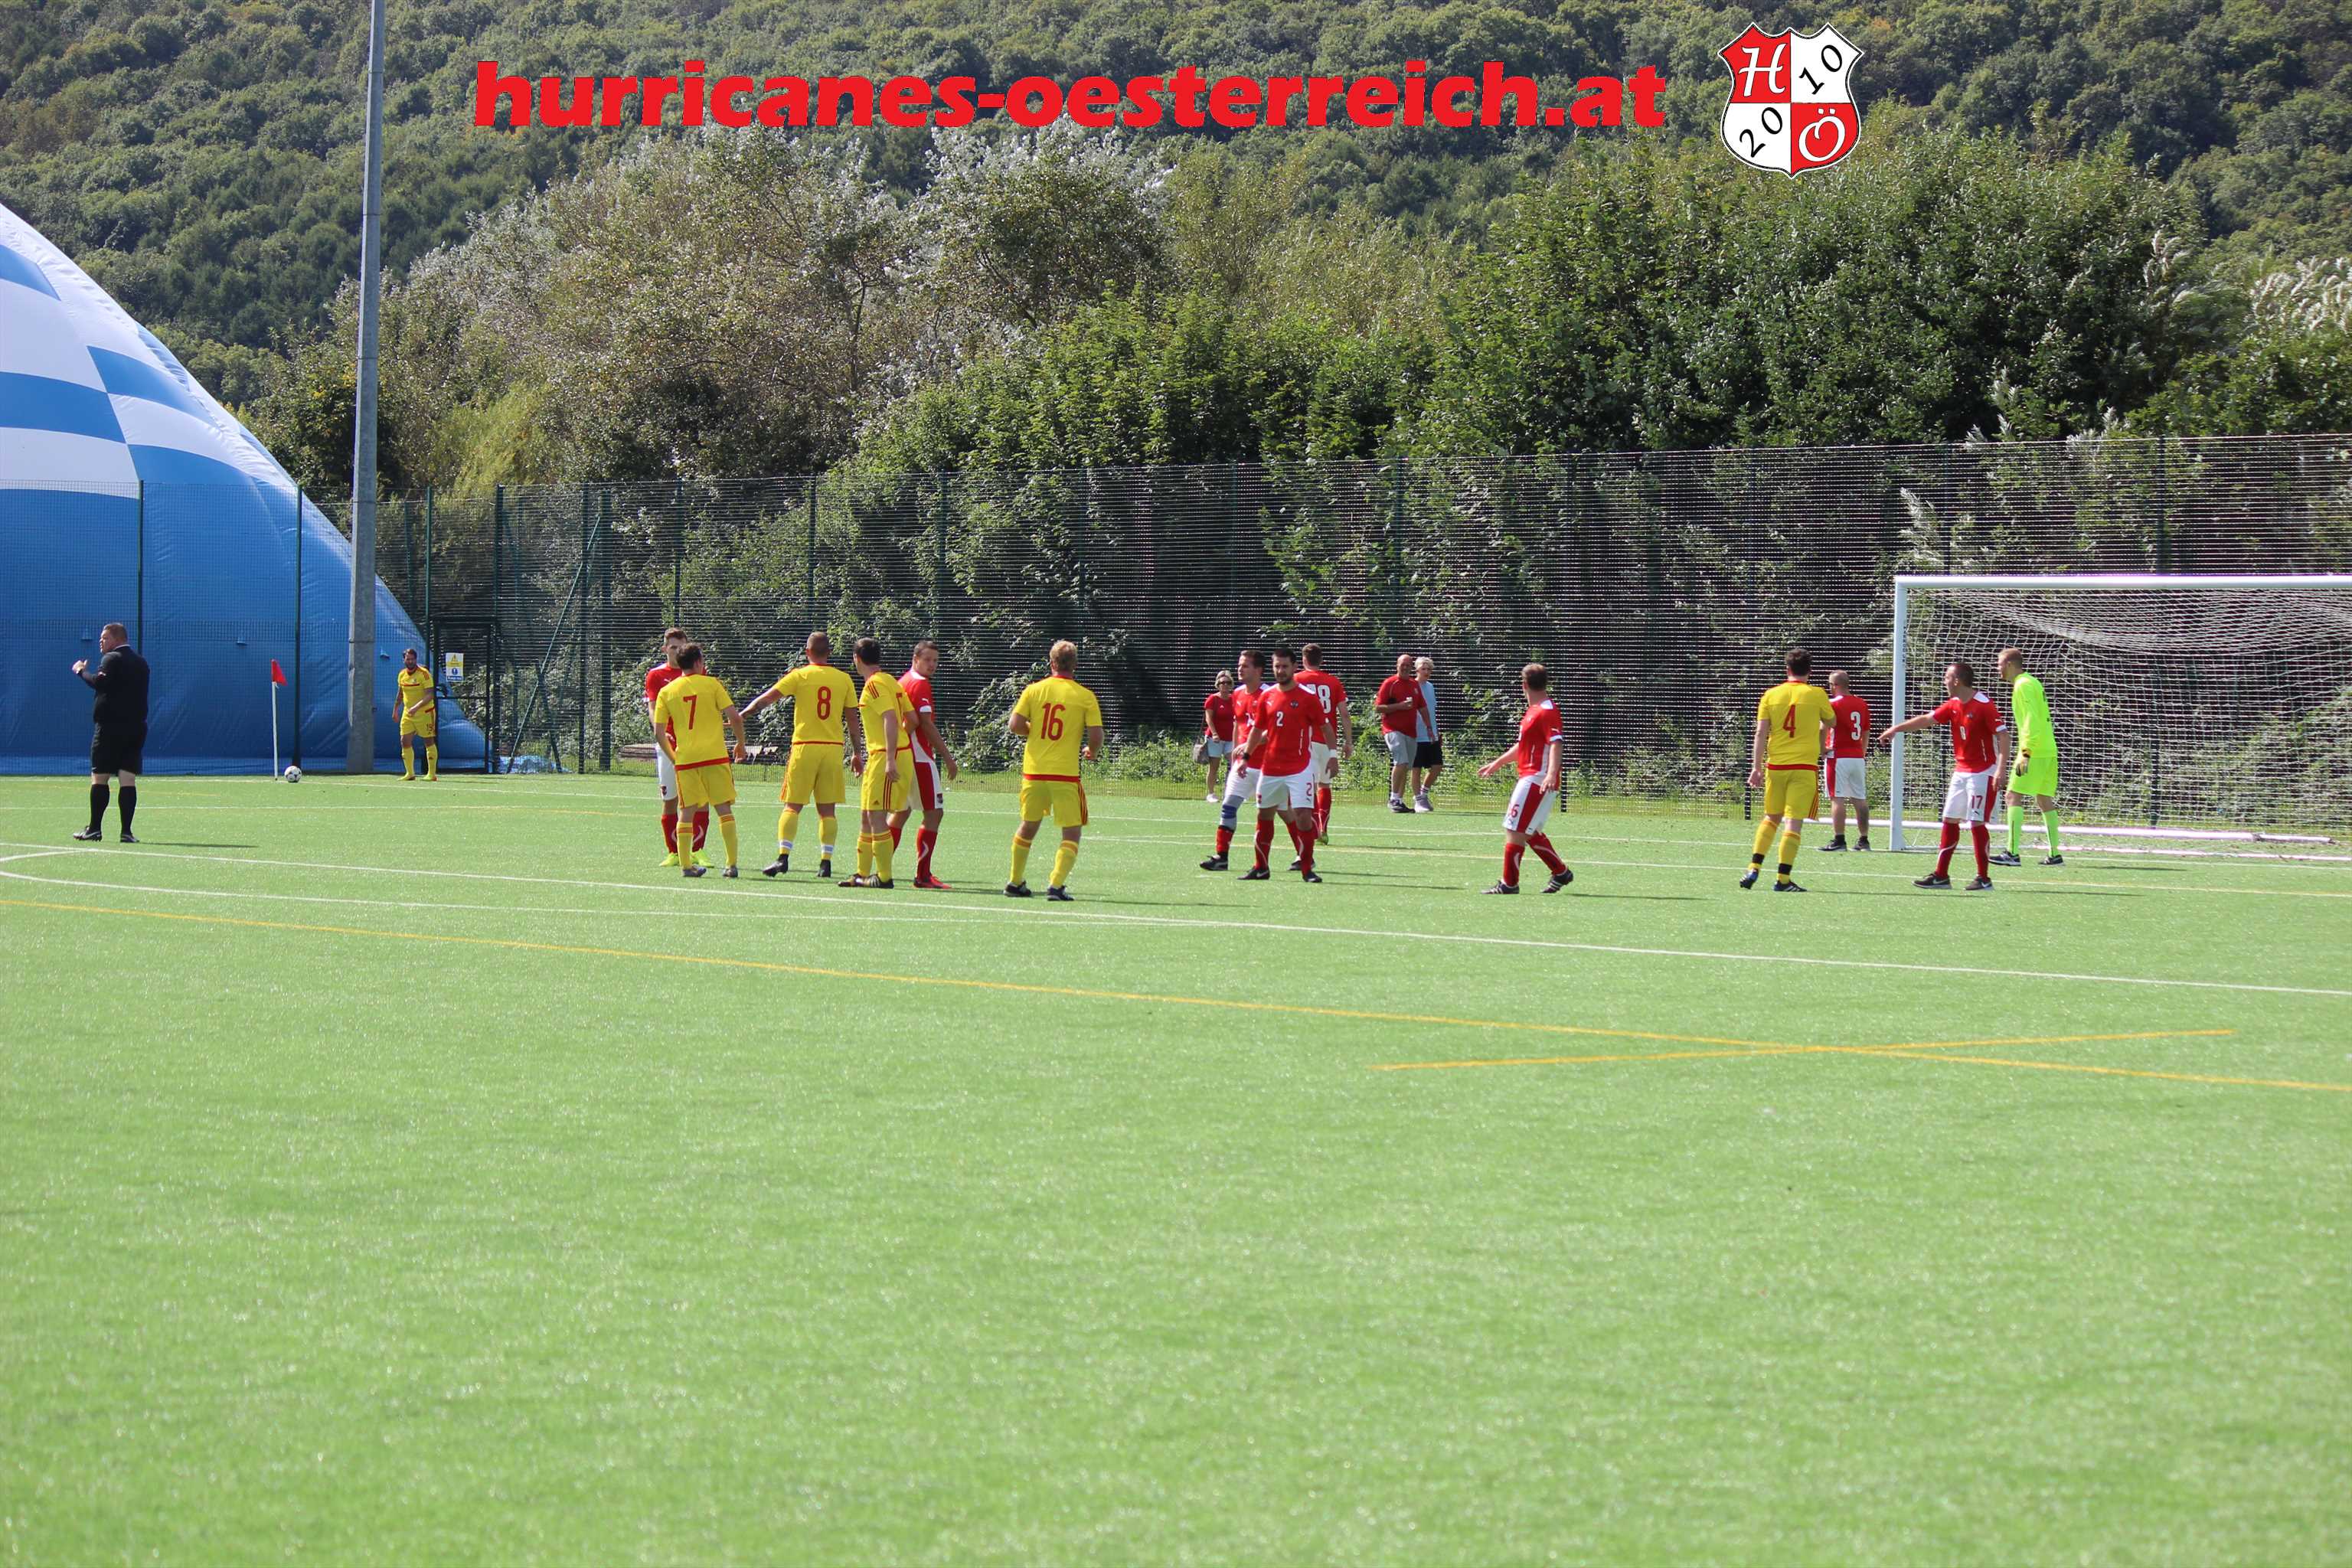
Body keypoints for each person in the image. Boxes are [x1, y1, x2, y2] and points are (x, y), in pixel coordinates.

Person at [1881, 659, 2011, 890]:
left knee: (1976, 823)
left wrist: (2001, 769)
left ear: (1957, 680)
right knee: (1949, 820)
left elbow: (2004, 736)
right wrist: (1896, 729)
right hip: (1961, 772)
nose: (1944, 681)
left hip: (1983, 773)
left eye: (1947, 677)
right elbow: (1926, 720)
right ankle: (1941, 875)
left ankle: (1983, 878)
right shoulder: (1953, 704)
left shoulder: (1984, 705)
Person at [740, 631, 855, 880]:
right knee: (828, 811)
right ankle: (826, 862)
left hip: (805, 746)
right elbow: (853, 720)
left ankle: (783, 857)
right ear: (830, 652)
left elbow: (767, 698)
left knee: (792, 806)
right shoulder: (844, 679)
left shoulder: (800, 675)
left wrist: (743, 714)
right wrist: (857, 752)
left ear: (807, 652)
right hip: (833, 748)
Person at [1007, 639, 1104, 901]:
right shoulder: (1085, 696)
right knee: (1071, 830)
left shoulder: (1034, 690)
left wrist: (1033, 731)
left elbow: (1014, 725)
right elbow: (1096, 734)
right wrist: (1092, 751)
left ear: (1051, 663)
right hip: (1065, 774)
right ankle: (1056, 886)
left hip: (1034, 772)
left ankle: (1015, 882)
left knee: (1028, 825)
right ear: (1075, 664)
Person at [1743, 647, 1837, 892]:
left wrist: (1756, 767)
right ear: (1810, 671)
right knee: (1793, 823)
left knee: (1771, 817)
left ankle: (1754, 867)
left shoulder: (1771, 694)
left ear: (1787, 670)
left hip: (1775, 766)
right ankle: (1783, 880)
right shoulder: (1816, 694)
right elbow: (1832, 721)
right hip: (1803, 767)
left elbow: (1761, 733)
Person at [649, 642, 746, 879]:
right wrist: (741, 744)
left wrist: (674, 757)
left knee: (686, 812)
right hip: (715, 757)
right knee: (723, 809)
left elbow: (659, 732)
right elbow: (735, 718)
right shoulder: (712, 684)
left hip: (686, 759)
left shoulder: (667, 691)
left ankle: (686, 866)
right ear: (699, 662)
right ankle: (731, 865)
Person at [1475, 663, 1573, 893]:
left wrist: (1551, 774)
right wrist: (1498, 762)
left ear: (1524, 685)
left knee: (1514, 828)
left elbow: (1556, 743)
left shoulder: (1546, 710)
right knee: (1528, 832)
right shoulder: (1534, 710)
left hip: (1536, 779)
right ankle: (1561, 872)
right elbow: (1523, 746)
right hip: (1535, 777)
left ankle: (1509, 884)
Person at [1241, 647, 1323, 884]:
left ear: (1295, 667)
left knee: (1303, 816)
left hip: (1300, 768)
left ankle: (1307, 869)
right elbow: (1257, 730)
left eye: (1285, 666)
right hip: (1271, 769)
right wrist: (1246, 756)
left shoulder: (1307, 696)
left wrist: (1333, 755)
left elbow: (1325, 727)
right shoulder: (1267, 696)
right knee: (1264, 815)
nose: (1280, 671)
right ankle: (1261, 867)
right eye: (1277, 666)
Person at [843, 636, 915, 889]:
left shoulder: (874, 685)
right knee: (866, 814)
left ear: (857, 659)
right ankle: (861, 874)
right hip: (881, 755)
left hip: (886, 756)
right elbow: (912, 719)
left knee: (876, 815)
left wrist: (891, 757)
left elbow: (890, 719)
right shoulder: (891, 682)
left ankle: (884, 877)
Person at [891, 639, 961, 890]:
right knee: (934, 813)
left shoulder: (903, 681)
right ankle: (922, 876)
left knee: (901, 812)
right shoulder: (920, 684)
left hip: (903, 755)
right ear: (915, 659)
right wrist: (948, 758)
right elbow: (926, 724)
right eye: (927, 659)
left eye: (935, 661)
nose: (932, 665)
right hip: (919, 757)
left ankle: (879, 867)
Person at [71, 622, 149, 844]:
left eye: (104, 638)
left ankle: (95, 829)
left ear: (117, 638)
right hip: (135, 729)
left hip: (110, 729)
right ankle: (127, 832)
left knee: (100, 777)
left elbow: (99, 683)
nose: (101, 642)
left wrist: (81, 671)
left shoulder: (112, 659)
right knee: (127, 778)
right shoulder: (141, 663)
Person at [1994, 647, 2063, 867]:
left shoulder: (2022, 685)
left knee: (2012, 795)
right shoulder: (2033, 682)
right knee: (2044, 799)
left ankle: (2012, 853)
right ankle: (2055, 854)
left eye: (1999, 664)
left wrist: (2026, 753)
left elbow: (2032, 720)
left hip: (2034, 751)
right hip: (2048, 750)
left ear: (2010, 665)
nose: (1998, 669)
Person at [644, 629, 707, 867]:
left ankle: (698, 850)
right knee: (670, 798)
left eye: (681, 647)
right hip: (668, 745)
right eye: (673, 647)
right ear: (664, 649)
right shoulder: (656, 675)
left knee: (701, 799)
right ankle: (673, 852)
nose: (677, 651)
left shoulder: (697, 672)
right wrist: (660, 730)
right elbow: (653, 708)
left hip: (695, 745)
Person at [1200, 649, 1266, 871]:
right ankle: (1222, 857)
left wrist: (1248, 747)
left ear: (1258, 670)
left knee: (1284, 814)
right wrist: (1240, 754)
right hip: (1244, 764)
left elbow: (1274, 731)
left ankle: (1303, 857)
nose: (1240, 669)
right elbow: (1239, 725)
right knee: (1228, 807)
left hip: (1268, 766)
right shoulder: (1238, 695)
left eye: (1245, 665)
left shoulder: (1269, 694)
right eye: (1239, 665)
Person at [1292, 642, 1351, 844]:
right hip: (1327, 741)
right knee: (1324, 784)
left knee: (1307, 784)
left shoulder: (1297, 680)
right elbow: (1344, 714)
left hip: (1304, 741)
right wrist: (1348, 741)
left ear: (1303, 660)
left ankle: (1313, 828)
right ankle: (1323, 828)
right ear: (1321, 660)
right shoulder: (1333, 682)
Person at [1821, 668, 1872, 851]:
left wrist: (1822, 749)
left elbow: (1822, 729)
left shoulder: (1832, 704)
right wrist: (1862, 752)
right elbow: (1866, 731)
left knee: (1837, 798)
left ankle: (1839, 840)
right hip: (1857, 757)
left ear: (1835, 685)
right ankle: (1864, 840)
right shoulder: (1862, 703)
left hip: (1838, 756)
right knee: (1860, 798)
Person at [1374, 654, 1424, 812]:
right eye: (1403, 664)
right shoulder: (1390, 683)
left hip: (1411, 732)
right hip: (1392, 729)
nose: (1405, 667)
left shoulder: (1414, 685)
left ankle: (1399, 801)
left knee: (1406, 766)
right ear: (1397, 665)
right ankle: (1393, 799)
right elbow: (1378, 708)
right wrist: (1399, 706)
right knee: (1401, 762)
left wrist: (1430, 729)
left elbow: (1422, 707)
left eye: (1408, 665)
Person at [394, 647, 439, 782]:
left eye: (413, 659)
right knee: (404, 741)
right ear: (404, 660)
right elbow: (400, 693)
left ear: (416, 659)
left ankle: (431, 774)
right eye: (408, 659)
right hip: (408, 714)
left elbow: (430, 695)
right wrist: (395, 709)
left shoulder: (424, 674)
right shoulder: (402, 675)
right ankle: (410, 773)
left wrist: (416, 707)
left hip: (425, 713)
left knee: (428, 741)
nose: (410, 661)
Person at [1410, 655, 1443, 812]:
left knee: (1437, 766)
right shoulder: (1411, 686)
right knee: (1416, 768)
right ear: (1417, 670)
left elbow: (1431, 711)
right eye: (1423, 669)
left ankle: (1423, 794)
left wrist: (1436, 731)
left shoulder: (1431, 687)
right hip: (1416, 735)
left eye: (1429, 669)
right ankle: (1418, 801)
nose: (1427, 672)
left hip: (1431, 735)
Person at [1200, 669, 1236, 802]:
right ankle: (1211, 794)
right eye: (1222, 683)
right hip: (1215, 739)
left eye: (1228, 683)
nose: (1225, 685)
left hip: (1230, 739)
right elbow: (1209, 718)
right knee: (1214, 767)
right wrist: (1215, 734)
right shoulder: (1213, 699)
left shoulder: (1234, 699)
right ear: (1218, 685)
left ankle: (1230, 792)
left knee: (1235, 764)